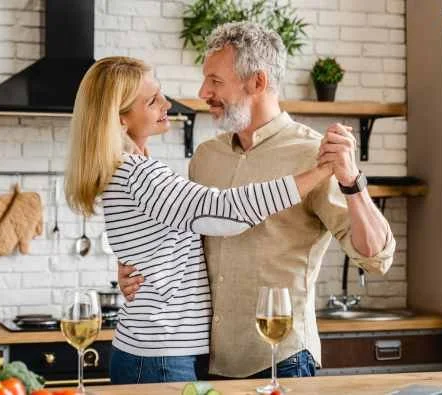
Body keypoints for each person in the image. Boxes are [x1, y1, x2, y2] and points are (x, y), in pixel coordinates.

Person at [119, 22, 396, 379]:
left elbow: (376, 259)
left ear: (258, 82)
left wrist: (352, 183)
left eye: (216, 81)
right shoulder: (206, 157)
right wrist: (137, 268)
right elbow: (182, 240)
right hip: (205, 362)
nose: (203, 92)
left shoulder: (315, 155)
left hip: (279, 359)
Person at [64, 56, 341, 384]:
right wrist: (321, 171)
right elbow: (227, 212)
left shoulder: (123, 171)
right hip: (163, 355)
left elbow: (156, 247)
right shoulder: (140, 174)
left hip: (150, 350)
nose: (167, 103)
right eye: (152, 101)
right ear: (121, 119)